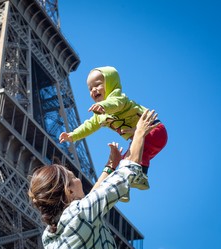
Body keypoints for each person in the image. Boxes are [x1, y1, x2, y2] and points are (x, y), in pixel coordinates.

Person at [28, 109, 159, 249]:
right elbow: (126, 173)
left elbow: (90, 201)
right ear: (68, 191)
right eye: (73, 178)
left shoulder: (49, 235)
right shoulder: (81, 213)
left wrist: (109, 167)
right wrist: (139, 133)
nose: (78, 180)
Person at [59, 66, 167, 202]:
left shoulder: (117, 97)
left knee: (129, 158)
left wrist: (104, 106)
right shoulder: (99, 115)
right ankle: (127, 185)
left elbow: (114, 103)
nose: (93, 90)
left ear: (110, 83)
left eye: (97, 85)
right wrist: (73, 135)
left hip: (154, 129)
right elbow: (89, 126)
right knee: (125, 160)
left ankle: (137, 178)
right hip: (142, 138)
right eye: (90, 89)